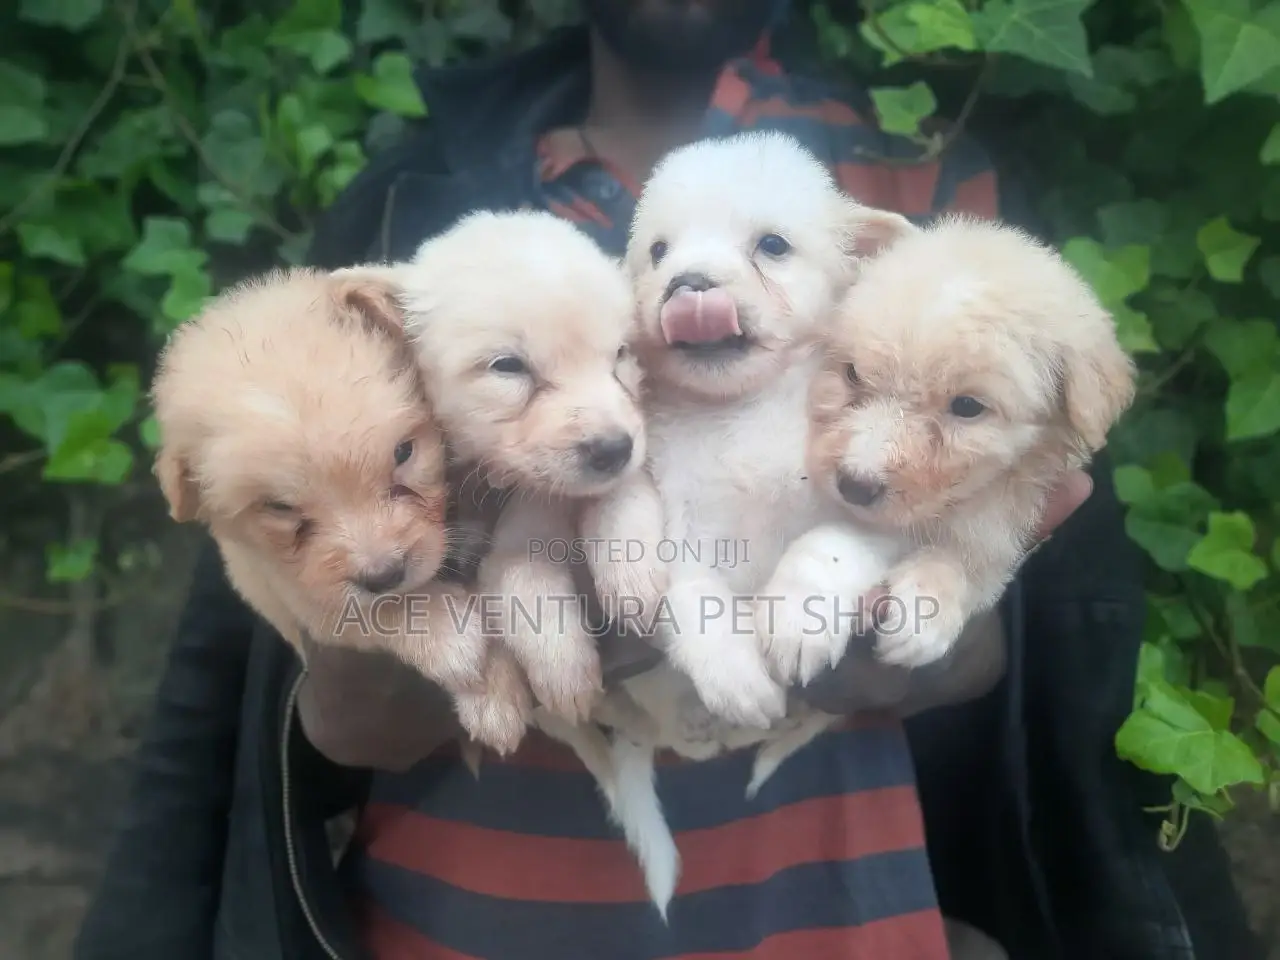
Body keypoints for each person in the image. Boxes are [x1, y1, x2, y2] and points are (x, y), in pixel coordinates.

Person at [75, 2, 1261, 959]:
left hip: (834, 911)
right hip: (457, 917)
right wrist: (366, 671)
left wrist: (933, 627)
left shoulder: (927, 199)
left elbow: (1041, 623)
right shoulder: (399, 225)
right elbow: (267, 609)